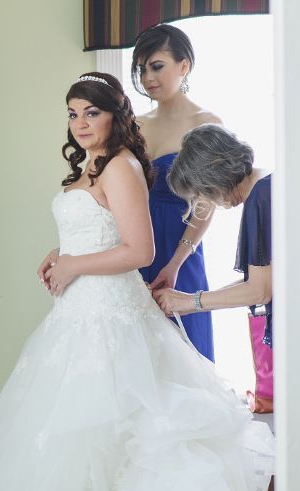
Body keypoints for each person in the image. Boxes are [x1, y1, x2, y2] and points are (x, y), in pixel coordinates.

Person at [0, 72, 275, 491]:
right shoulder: (87, 170)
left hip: (112, 317)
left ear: (115, 115)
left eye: (91, 113)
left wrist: (76, 264)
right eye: (73, 114)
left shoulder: (123, 164)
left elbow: (140, 249)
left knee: (124, 427)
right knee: (69, 430)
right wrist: (66, 251)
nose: (80, 124)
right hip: (77, 315)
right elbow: (100, 232)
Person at [132, 24, 220, 360]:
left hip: (180, 248)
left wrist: (176, 262)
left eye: (156, 66)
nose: (147, 77)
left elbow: (208, 201)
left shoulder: (205, 123)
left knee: (186, 355)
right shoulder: (135, 125)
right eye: (141, 69)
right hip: (134, 246)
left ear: (184, 66)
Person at [155, 124, 273, 345]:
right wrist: (188, 300)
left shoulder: (261, 196)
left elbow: (259, 291)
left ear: (213, 174)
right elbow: (265, 281)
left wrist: (190, 303)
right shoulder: (266, 184)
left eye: (200, 192)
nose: (204, 201)